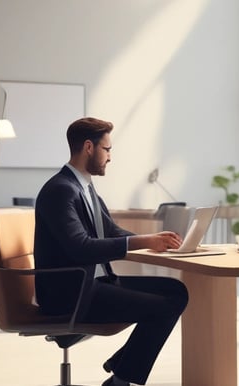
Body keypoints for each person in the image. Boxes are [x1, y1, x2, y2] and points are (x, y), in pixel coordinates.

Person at [34, 117, 188, 386]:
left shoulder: (84, 187)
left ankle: (121, 368)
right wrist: (146, 241)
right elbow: (80, 248)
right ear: (89, 148)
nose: (110, 157)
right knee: (163, 308)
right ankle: (121, 379)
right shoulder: (60, 191)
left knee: (177, 292)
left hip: (92, 284)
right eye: (107, 149)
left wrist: (157, 241)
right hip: (71, 293)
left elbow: (112, 232)